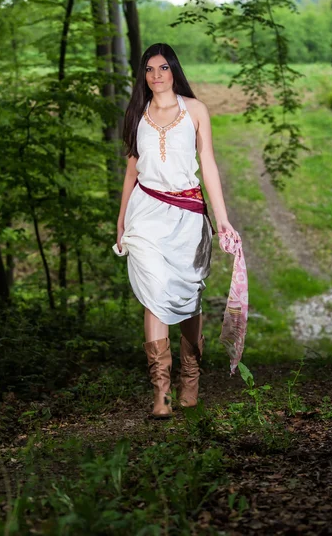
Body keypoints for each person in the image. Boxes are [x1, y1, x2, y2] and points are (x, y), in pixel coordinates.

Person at [115, 43, 238, 419]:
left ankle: (190, 380)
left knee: (187, 297)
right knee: (154, 294)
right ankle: (162, 395)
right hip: (147, 213)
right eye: (150, 69)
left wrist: (222, 218)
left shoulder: (195, 110)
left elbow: (209, 165)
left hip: (188, 215)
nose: (156, 75)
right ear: (144, 75)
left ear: (174, 71)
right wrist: (121, 220)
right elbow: (132, 172)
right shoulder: (138, 112)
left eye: (163, 68)